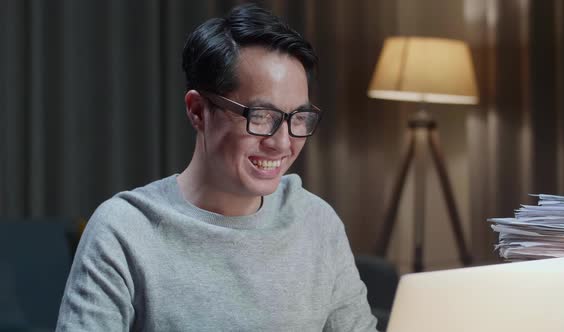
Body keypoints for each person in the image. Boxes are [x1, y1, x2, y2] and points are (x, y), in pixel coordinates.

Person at [56, 4, 378, 331]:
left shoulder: (317, 223)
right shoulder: (125, 231)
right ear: (198, 111)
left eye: (298, 118)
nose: (282, 143)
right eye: (261, 117)